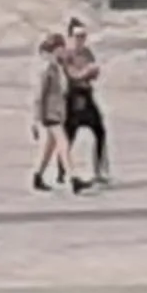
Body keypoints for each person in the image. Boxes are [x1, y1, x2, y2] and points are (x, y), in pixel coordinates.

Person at [59, 18, 109, 188]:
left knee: (100, 131)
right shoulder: (67, 55)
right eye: (78, 36)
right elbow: (72, 75)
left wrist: (93, 73)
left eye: (83, 36)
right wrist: (86, 71)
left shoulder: (87, 53)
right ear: (70, 37)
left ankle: (99, 169)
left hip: (87, 94)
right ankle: (62, 171)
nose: (81, 40)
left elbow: (93, 72)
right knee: (69, 135)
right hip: (73, 97)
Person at [31, 32, 81, 194]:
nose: (63, 50)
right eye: (60, 48)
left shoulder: (57, 67)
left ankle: (38, 176)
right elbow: (39, 96)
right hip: (49, 114)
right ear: (54, 49)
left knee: (50, 146)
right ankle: (73, 178)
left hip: (57, 113)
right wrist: (36, 119)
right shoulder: (47, 69)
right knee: (63, 144)